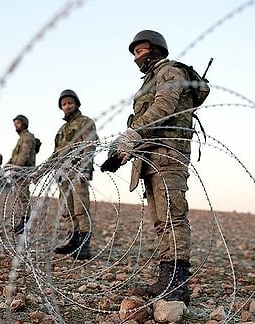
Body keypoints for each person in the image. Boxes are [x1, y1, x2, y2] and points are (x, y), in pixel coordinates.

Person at [108, 30, 209, 306]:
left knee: (173, 218)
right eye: (135, 53)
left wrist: (133, 134)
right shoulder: (147, 83)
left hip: (169, 156)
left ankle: (177, 285)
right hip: (151, 159)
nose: (137, 57)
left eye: (141, 51)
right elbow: (147, 122)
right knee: (161, 221)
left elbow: (164, 108)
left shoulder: (170, 72)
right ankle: (166, 279)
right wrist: (123, 152)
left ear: (156, 49)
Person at [49, 89, 99, 260]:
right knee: (67, 210)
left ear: (76, 103)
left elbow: (90, 145)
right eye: (64, 104)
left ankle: (84, 246)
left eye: (70, 102)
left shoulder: (85, 122)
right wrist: (43, 171)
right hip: (63, 174)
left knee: (80, 209)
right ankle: (72, 240)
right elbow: (56, 153)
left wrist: (85, 169)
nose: (67, 106)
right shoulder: (62, 129)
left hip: (78, 172)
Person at [7, 114, 37, 235]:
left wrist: (16, 168)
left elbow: (24, 154)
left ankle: (25, 221)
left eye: (18, 123)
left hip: (23, 172)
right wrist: (7, 165)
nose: (16, 126)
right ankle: (22, 221)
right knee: (19, 196)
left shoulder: (28, 137)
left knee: (23, 197)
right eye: (15, 124)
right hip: (17, 172)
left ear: (24, 124)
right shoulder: (21, 138)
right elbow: (15, 155)